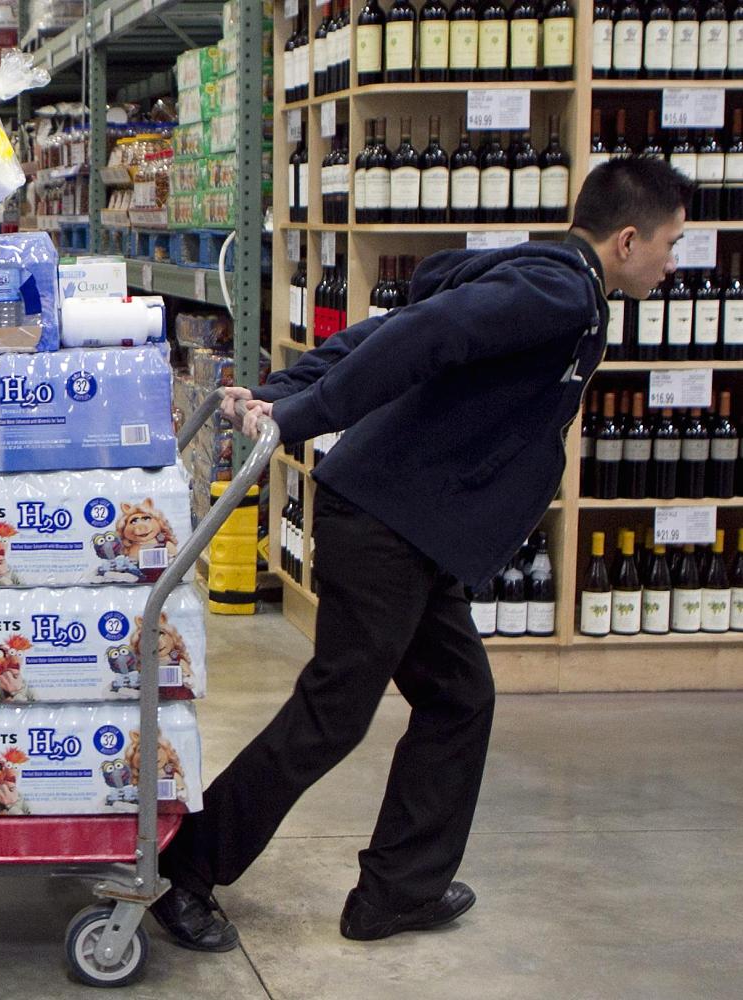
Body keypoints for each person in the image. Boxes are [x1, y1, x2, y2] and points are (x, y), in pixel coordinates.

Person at [150, 157, 691, 949]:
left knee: (459, 698)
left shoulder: (551, 276)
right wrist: (299, 411)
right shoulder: (560, 291)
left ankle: (398, 892)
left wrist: (287, 390)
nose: (673, 265)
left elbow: (396, 320)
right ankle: (185, 871)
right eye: (672, 246)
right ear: (629, 239)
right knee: (335, 714)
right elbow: (419, 334)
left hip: (416, 528)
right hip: (387, 527)